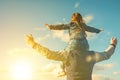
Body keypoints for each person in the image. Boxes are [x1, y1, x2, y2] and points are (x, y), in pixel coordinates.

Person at [24, 34, 117, 80]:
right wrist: (113, 44)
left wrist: (34, 44)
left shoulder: (67, 54)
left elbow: (49, 54)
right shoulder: (91, 55)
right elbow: (106, 54)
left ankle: (63, 70)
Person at [45, 12, 103, 76]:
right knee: (83, 57)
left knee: (64, 54)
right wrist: (98, 30)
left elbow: (61, 26)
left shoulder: (71, 24)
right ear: (80, 18)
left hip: (74, 43)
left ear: (72, 18)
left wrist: (51, 27)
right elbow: (90, 29)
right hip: (85, 44)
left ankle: (62, 70)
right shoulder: (83, 25)